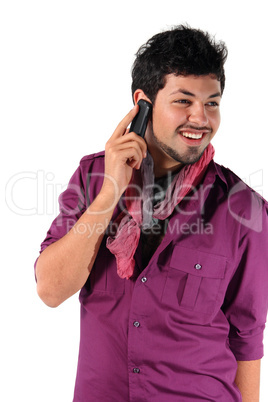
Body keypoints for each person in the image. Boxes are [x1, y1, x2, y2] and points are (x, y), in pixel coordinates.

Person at [35, 25, 268, 401]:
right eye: (183, 101)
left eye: (212, 103)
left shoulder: (245, 209)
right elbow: (50, 288)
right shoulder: (93, 177)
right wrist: (111, 191)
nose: (201, 118)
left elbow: (247, 336)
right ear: (142, 103)